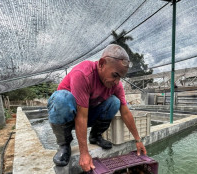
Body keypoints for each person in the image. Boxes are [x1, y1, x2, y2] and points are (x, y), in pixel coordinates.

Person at [47, 44, 147, 172]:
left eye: (120, 77)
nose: (117, 81)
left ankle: (95, 136)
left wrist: (138, 140)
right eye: (115, 75)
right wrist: (84, 153)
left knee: (115, 102)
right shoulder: (83, 73)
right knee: (62, 98)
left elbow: (126, 112)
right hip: (66, 115)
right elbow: (81, 116)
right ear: (101, 64)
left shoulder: (116, 85)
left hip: (87, 113)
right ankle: (64, 145)